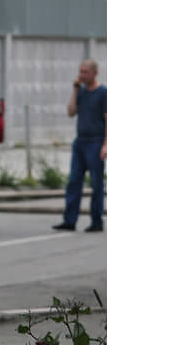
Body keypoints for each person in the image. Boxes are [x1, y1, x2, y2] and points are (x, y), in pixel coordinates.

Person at [53, 59, 107, 233]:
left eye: (85, 72)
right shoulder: (81, 92)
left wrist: (106, 144)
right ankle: (70, 220)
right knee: (74, 181)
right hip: (80, 142)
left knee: (96, 183)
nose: (82, 75)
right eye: (80, 72)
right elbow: (70, 112)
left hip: (96, 141)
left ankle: (96, 220)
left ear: (94, 73)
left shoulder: (103, 93)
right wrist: (75, 90)